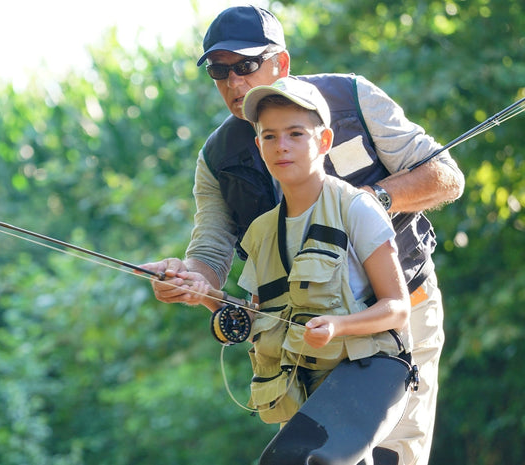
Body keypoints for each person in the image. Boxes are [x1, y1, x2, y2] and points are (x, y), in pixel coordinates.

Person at [141, 5, 465, 465]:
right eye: (220, 70)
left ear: (282, 63)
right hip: (303, 343)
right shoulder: (217, 159)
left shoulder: (353, 98)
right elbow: (209, 253)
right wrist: (186, 277)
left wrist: (368, 202)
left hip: (401, 314)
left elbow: (446, 177)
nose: (234, 82)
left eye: (246, 66)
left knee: (395, 459)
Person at [196, 75, 417, 465]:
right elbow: (259, 317)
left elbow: (398, 307)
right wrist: (202, 294)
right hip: (304, 389)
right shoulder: (262, 232)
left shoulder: (356, 208)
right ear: (258, 145)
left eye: (296, 134)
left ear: (324, 141)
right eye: (269, 136)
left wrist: (338, 326)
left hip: (368, 375)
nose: (282, 146)